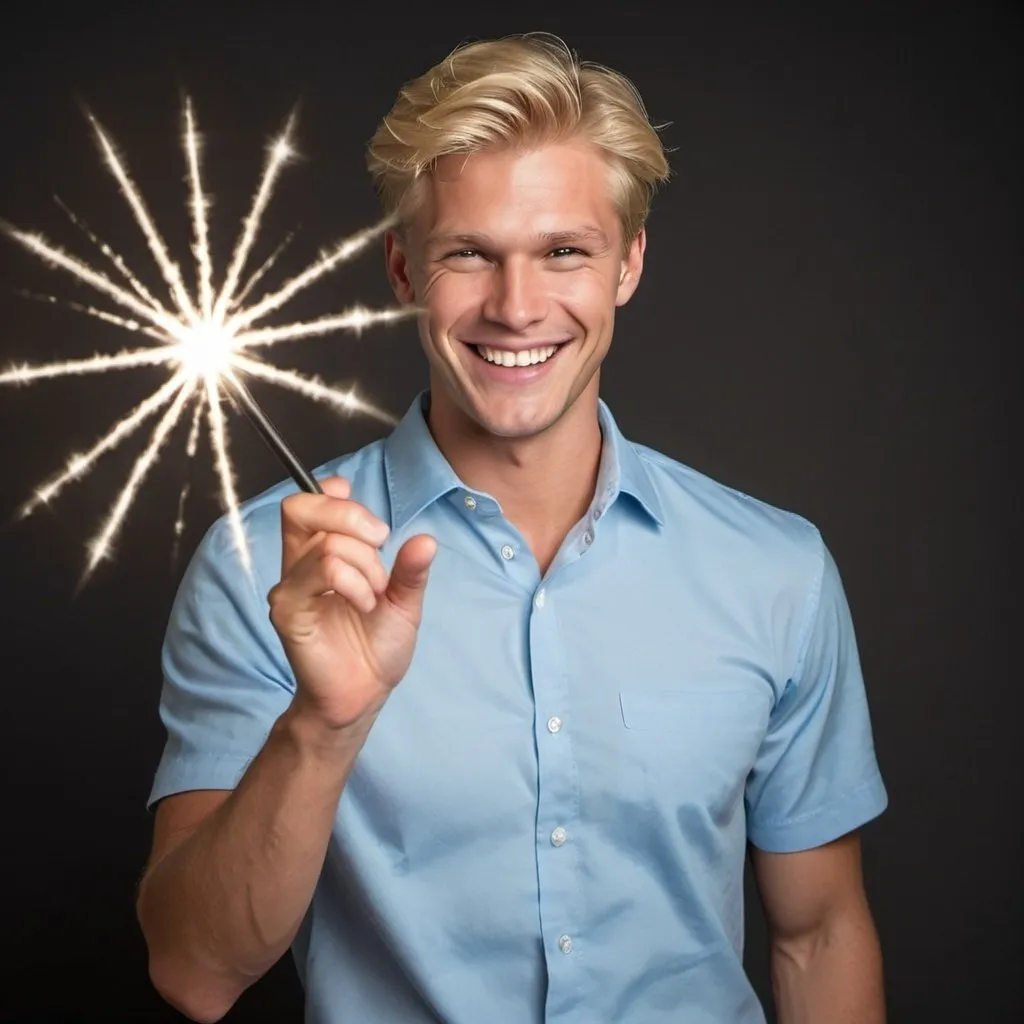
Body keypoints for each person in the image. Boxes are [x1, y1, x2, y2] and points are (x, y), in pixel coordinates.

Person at [136, 32, 889, 1024]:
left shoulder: (775, 571)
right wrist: (322, 726)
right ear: (404, 271)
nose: (516, 306)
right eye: (469, 255)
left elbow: (819, 931)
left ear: (626, 265)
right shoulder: (267, 571)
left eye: (563, 252)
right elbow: (194, 972)